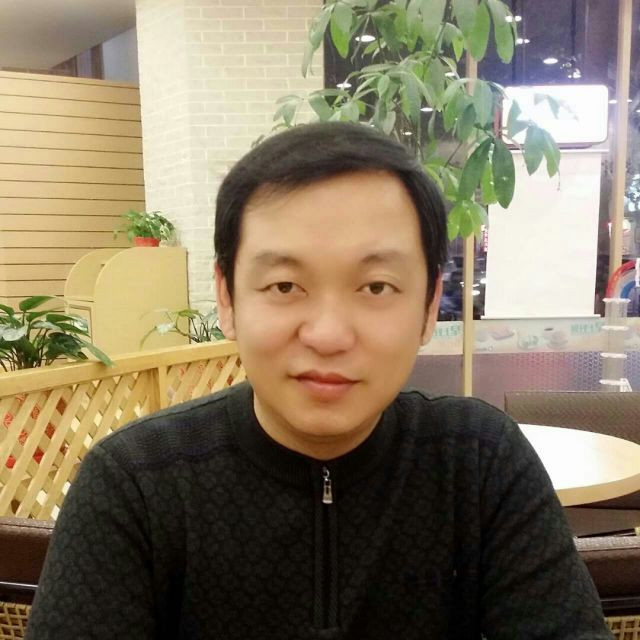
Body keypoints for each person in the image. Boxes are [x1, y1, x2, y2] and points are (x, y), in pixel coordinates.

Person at [26, 122, 612, 639]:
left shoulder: (479, 462)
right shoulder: (135, 485)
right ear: (227, 298)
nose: (328, 334)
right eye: (285, 286)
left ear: (431, 303)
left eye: (376, 287)